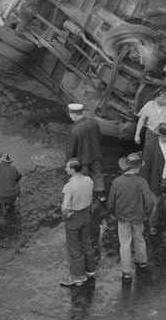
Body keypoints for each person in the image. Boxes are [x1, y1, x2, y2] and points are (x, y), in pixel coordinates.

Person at [107, 153, 155, 281]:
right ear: (138, 168)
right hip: (138, 217)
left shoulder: (118, 181)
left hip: (122, 218)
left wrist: (112, 212)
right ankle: (142, 261)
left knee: (125, 244)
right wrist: (146, 214)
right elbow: (149, 201)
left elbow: (111, 200)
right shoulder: (141, 181)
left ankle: (127, 272)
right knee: (139, 239)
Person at [65, 102, 105, 247]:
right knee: (98, 174)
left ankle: (87, 202)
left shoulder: (75, 129)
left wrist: (69, 161)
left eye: (70, 114)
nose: (70, 116)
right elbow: (99, 137)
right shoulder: (93, 121)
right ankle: (102, 196)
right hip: (95, 154)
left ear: (74, 114)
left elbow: (71, 149)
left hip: (82, 159)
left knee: (85, 180)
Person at [59, 158, 96, 287]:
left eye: (67, 167)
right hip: (85, 214)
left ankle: (77, 278)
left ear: (73, 170)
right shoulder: (88, 180)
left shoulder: (69, 186)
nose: (65, 169)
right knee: (86, 243)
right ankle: (90, 270)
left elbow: (64, 207)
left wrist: (66, 215)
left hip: (74, 217)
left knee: (74, 248)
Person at [140, 123, 166, 236]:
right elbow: (146, 167)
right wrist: (144, 184)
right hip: (156, 179)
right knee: (155, 203)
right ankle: (153, 224)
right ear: (161, 136)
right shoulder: (150, 146)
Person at [0, 153, 22, 220]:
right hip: (12, 196)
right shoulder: (13, 169)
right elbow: (19, 176)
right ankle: (10, 207)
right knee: (16, 182)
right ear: (8, 162)